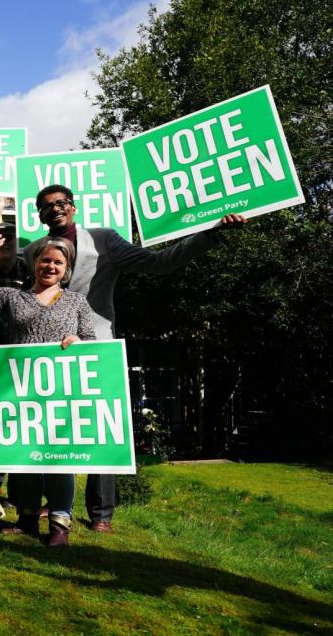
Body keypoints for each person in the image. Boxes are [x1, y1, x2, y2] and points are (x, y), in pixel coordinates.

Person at [26, 184, 246, 533]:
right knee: (52, 427)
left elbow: (157, 263)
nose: (54, 209)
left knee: (100, 426)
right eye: (46, 206)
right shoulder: (34, 250)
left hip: (94, 342)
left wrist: (211, 232)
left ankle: (101, 515)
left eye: (61, 203)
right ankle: (55, 504)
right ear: (38, 214)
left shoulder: (103, 240)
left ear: (73, 207)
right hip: (49, 348)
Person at [0, 216, 95, 546]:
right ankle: (27, 519)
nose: (50, 266)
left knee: (59, 459)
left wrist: (79, 342)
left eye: (58, 262)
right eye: (45, 260)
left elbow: (90, 339)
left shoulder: (76, 301)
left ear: (66, 268)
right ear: (35, 262)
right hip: (20, 390)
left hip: (59, 392)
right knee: (23, 455)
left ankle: (59, 523)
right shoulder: (14, 298)